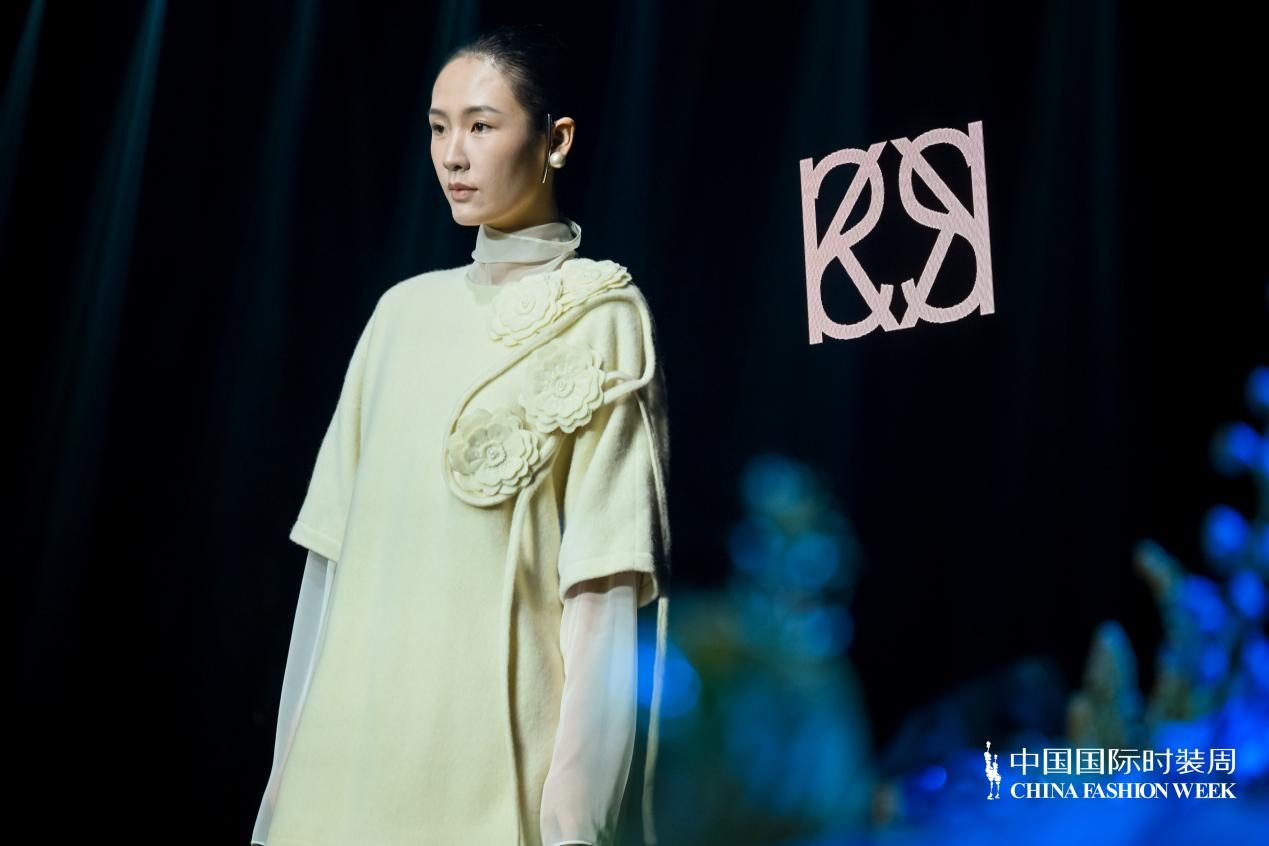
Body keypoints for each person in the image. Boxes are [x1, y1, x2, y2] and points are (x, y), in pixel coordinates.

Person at [250, 23, 672, 846]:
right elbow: (327, 574)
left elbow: (603, 591)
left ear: (555, 140)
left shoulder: (602, 314)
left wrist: (575, 819)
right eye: (438, 127)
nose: (452, 154)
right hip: (342, 763)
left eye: (481, 125)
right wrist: (281, 791)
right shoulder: (399, 315)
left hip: (487, 764)